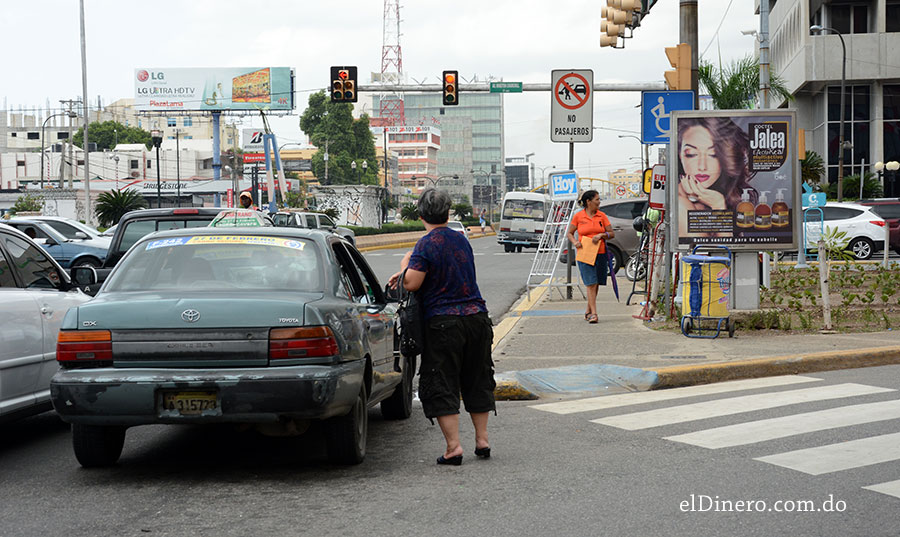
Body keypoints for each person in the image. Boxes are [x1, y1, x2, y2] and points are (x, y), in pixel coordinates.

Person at [388, 188, 494, 466]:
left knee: (441, 380)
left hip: (444, 324)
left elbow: (412, 284)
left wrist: (406, 263)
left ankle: (454, 447)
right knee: (477, 377)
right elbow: (447, 270)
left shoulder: (426, 243)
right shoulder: (461, 240)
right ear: (448, 213)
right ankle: (482, 441)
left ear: (421, 215)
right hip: (477, 318)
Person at [677, 117, 757, 238]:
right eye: (691, 154)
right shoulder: (681, 205)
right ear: (680, 155)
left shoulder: (726, 193)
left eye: (713, 155)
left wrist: (718, 205)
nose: (702, 166)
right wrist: (718, 206)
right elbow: (721, 252)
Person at [566, 190, 615, 324]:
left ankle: (588, 310)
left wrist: (602, 235)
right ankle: (594, 314)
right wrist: (575, 242)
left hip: (600, 253)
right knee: (590, 283)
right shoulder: (578, 216)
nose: (599, 202)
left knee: (596, 282)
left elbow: (612, 233)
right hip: (585, 254)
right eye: (597, 199)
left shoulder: (602, 216)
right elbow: (569, 233)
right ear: (588, 202)